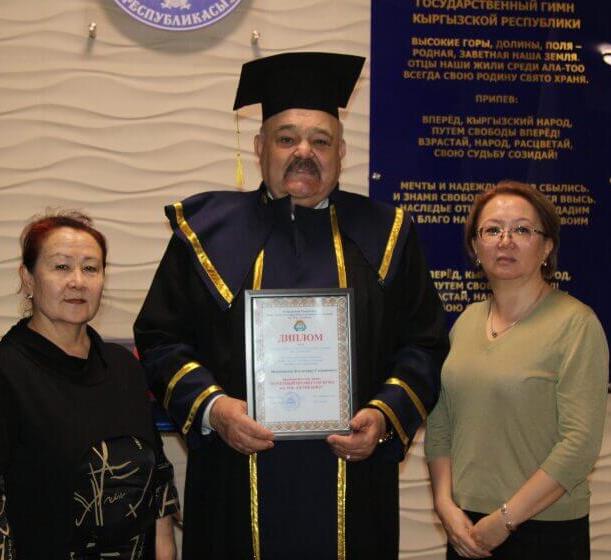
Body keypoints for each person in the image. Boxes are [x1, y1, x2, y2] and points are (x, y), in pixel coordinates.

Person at [134, 52, 449, 559]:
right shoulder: (206, 234)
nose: (304, 152)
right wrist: (215, 409)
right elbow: (160, 340)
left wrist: (384, 414)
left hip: (353, 487)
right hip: (235, 484)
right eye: (287, 139)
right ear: (260, 148)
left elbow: (425, 344)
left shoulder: (388, 235)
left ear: (341, 152)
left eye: (320, 141)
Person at [0, 211, 179, 559]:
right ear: (28, 279)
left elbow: (157, 476)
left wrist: (165, 546)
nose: (78, 281)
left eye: (91, 268)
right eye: (61, 267)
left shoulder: (125, 367)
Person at [425, 180, 609, 559]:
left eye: (522, 230)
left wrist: (506, 519)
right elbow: (441, 425)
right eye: (492, 230)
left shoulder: (576, 324)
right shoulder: (466, 321)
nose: (505, 241)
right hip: (465, 524)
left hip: (543, 527)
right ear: (476, 247)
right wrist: (444, 504)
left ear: (547, 247)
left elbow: (579, 445)